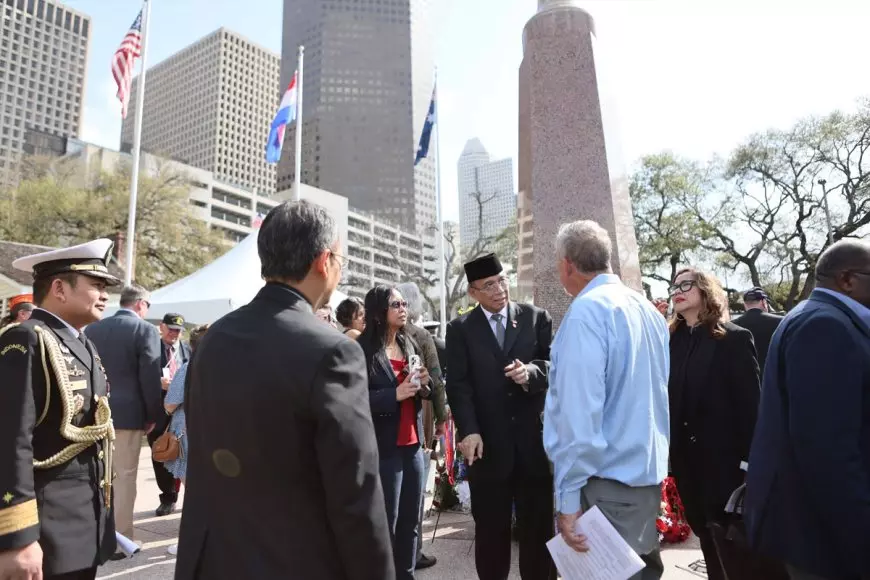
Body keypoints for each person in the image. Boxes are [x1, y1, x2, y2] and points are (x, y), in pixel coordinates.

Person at [176, 200, 393, 580]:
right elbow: (355, 492)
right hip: (294, 561)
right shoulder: (333, 350)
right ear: (324, 261)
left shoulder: (214, 338)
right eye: (341, 260)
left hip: (213, 560)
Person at [544, 221, 669, 580]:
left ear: (567, 264)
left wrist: (567, 503)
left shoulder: (586, 314)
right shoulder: (647, 310)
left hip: (603, 485)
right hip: (642, 481)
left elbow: (578, 418)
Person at [746, 240, 870, 580]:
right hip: (828, 534)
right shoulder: (825, 326)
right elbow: (827, 450)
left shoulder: (816, 317)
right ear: (847, 279)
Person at [0, 239, 120, 580]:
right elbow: (10, 440)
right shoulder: (24, 338)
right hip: (45, 527)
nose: (104, 295)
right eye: (96, 285)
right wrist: (17, 539)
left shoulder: (81, 342)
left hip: (82, 523)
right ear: (59, 289)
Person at [446, 253, 555, 580]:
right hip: (487, 448)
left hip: (531, 445)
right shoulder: (461, 328)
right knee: (491, 533)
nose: (498, 289)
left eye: (502, 280)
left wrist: (532, 373)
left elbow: (554, 366)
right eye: (488, 285)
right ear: (473, 292)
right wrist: (469, 430)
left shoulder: (536, 318)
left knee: (538, 531)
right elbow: (458, 385)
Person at [667, 268, 770, 580]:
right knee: (707, 541)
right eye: (674, 286)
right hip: (687, 464)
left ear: (706, 291)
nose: (677, 290)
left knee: (733, 546)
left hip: (725, 464)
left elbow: (752, 408)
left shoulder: (734, 339)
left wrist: (749, 464)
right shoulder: (670, 341)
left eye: (686, 284)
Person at [359, 286, 434, 580]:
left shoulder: (409, 343)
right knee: (385, 523)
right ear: (379, 312)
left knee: (410, 523)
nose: (403, 308)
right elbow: (355, 397)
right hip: (383, 447)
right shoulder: (362, 350)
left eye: (404, 303)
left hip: (412, 445)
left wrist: (424, 384)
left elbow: (420, 390)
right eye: (396, 304)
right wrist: (394, 394)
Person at [84, 284, 162, 545]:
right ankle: (121, 538)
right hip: (129, 415)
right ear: (141, 304)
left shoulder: (93, 328)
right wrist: (153, 415)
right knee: (125, 476)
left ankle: (96, 532)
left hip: (93, 413)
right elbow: (150, 377)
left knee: (97, 475)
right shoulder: (146, 330)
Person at [395, 282, 447, 572]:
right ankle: (413, 551)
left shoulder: (382, 334)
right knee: (415, 487)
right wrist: (441, 419)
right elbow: (436, 382)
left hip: (398, 414)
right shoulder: (421, 336)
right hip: (419, 411)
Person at [162, 323, 210, 557]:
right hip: (221, 436)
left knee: (194, 492)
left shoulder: (189, 369)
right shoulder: (232, 369)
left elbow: (170, 404)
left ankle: (192, 542)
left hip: (190, 433)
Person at [151, 312, 191, 517]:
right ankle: (168, 497)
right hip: (159, 411)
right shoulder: (152, 349)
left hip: (182, 411)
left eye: (178, 331)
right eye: (171, 329)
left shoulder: (187, 350)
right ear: (162, 327)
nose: (174, 334)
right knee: (162, 453)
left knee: (182, 456)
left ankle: (183, 497)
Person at [732, 286, 783, 375]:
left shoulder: (732, 325)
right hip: (773, 379)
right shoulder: (781, 321)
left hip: (745, 381)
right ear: (764, 302)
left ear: (745, 304)